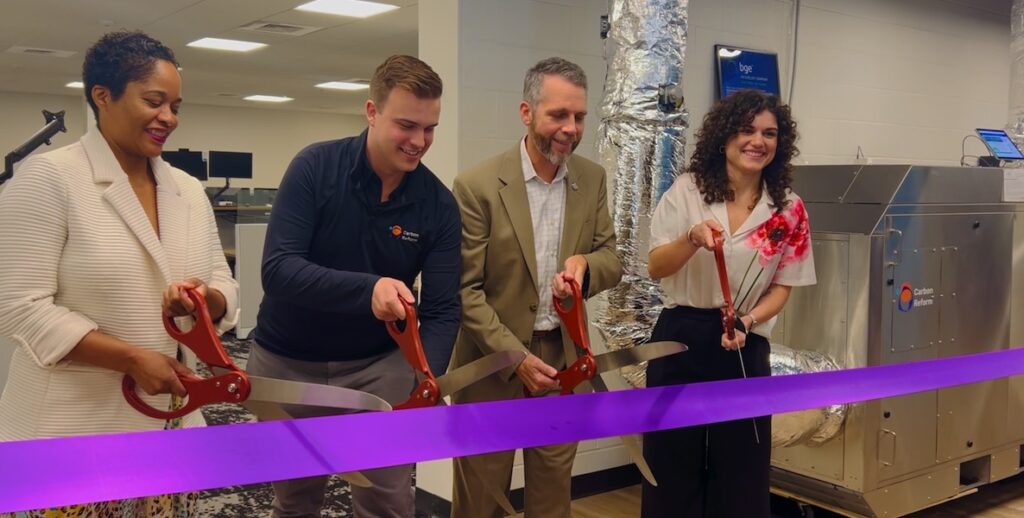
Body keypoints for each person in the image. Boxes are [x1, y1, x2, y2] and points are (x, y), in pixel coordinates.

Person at [0, 31, 239, 516]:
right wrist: (130, 358)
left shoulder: (188, 191)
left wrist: (204, 300)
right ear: (102, 96)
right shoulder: (50, 179)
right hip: (73, 432)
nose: (168, 117)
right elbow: (19, 307)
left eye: (175, 105)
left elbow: (223, 282)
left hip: (170, 429)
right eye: (154, 101)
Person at [248, 54, 460, 518]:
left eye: (430, 128)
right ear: (371, 112)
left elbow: (443, 310)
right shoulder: (314, 168)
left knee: (387, 498)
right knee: (295, 497)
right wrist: (369, 291)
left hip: (378, 367)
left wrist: (426, 379)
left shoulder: (438, 205)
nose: (419, 141)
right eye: (407, 125)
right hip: (287, 364)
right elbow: (279, 269)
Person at [450, 57, 623, 518]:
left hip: (562, 363)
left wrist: (585, 266)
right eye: (558, 115)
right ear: (526, 113)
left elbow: (612, 259)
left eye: (580, 116)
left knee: (551, 500)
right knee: (480, 501)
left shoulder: (592, 178)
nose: (571, 128)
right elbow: (464, 290)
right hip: (490, 364)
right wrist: (516, 357)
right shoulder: (477, 187)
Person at [641, 89, 816, 517]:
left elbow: (783, 286)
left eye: (770, 133)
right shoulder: (687, 191)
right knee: (670, 467)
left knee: (742, 473)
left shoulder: (788, 209)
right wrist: (690, 239)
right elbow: (656, 266)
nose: (758, 141)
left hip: (743, 340)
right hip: (679, 339)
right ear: (724, 137)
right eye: (747, 130)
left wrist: (749, 319)